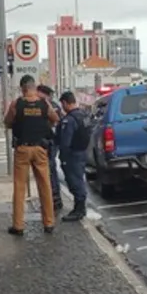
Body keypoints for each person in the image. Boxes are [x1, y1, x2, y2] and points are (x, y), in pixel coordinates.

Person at [4, 75, 59, 235]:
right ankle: (49, 223)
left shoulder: (17, 104)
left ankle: (18, 225)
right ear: (34, 87)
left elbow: (7, 122)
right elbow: (55, 119)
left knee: (19, 187)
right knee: (45, 185)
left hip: (22, 148)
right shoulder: (44, 103)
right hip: (40, 148)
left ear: (22, 88)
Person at [56, 91, 90, 221]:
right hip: (82, 152)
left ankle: (79, 209)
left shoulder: (69, 120)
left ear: (65, 103)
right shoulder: (83, 115)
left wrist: (63, 157)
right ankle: (79, 207)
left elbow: (65, 142)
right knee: (79, 179)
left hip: (72, 155)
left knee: (74, 181)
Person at [37, 84, 64, 211]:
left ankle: (54, 198)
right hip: (49, 142)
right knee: (49, 169)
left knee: (50, 169)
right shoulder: (52, 105)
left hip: (50, 142)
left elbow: (54, 123)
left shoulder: (50, 106)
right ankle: (53, 198)